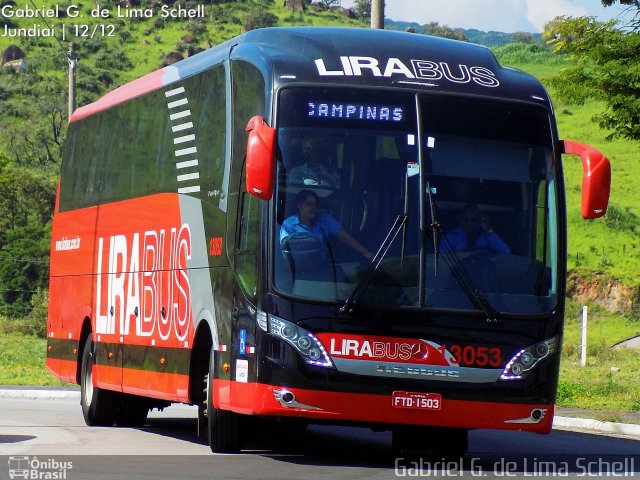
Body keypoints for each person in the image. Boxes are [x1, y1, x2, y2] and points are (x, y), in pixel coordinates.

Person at [280, 189, 373, 261]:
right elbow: (285, 249)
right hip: (298, 270)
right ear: (299, 205)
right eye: (309, 204)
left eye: (316, 205)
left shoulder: (324, 218)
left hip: (324, 267)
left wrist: (366, 252)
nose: (313, 208)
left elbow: (344, 237)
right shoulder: (288, 225)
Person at [440, 203, 510, 255]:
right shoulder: (450, 238)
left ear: (479, 220)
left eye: (473, 220)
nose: (469, 223)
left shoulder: (487, 236)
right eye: (465, 219)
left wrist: (489, 230)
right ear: (460, 219)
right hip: (459, 274)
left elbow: (506, 253)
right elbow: (440, 260)